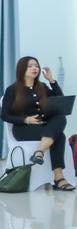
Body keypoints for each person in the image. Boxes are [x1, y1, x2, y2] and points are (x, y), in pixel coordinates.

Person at [2, 56, 73, 190]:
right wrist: (26, 119)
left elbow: (61, 102)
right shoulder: (12, 89)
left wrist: (51, 80)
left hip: (44, 126)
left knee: (60, 117)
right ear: (22, 69)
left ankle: (39, 152)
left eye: (36, 66)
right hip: (23, 129)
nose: (35, 68)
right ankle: (59, 178)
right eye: (30, 66)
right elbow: (4, 115)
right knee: (59, 136)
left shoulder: (42, 87)